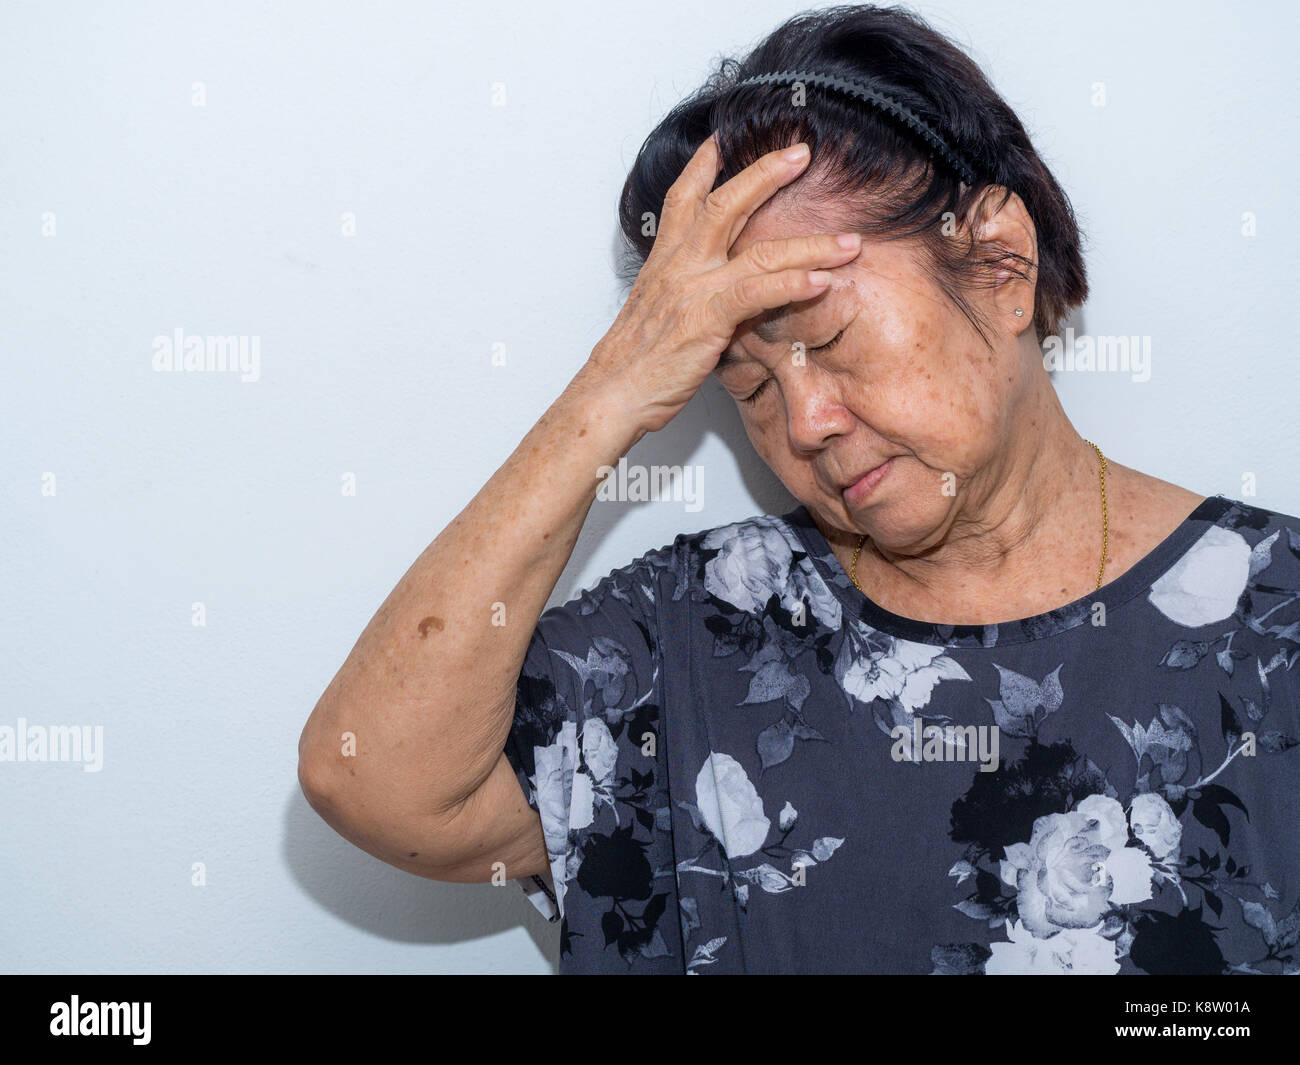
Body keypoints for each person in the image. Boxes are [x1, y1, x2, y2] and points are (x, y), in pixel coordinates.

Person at [297, 4, 1300, 974]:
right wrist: (611, 392)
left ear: (1000, 262)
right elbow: (373, 779)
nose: (805, 422)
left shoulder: (1278, 627)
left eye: (826, 341)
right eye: (746, 386)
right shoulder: (688, 641)